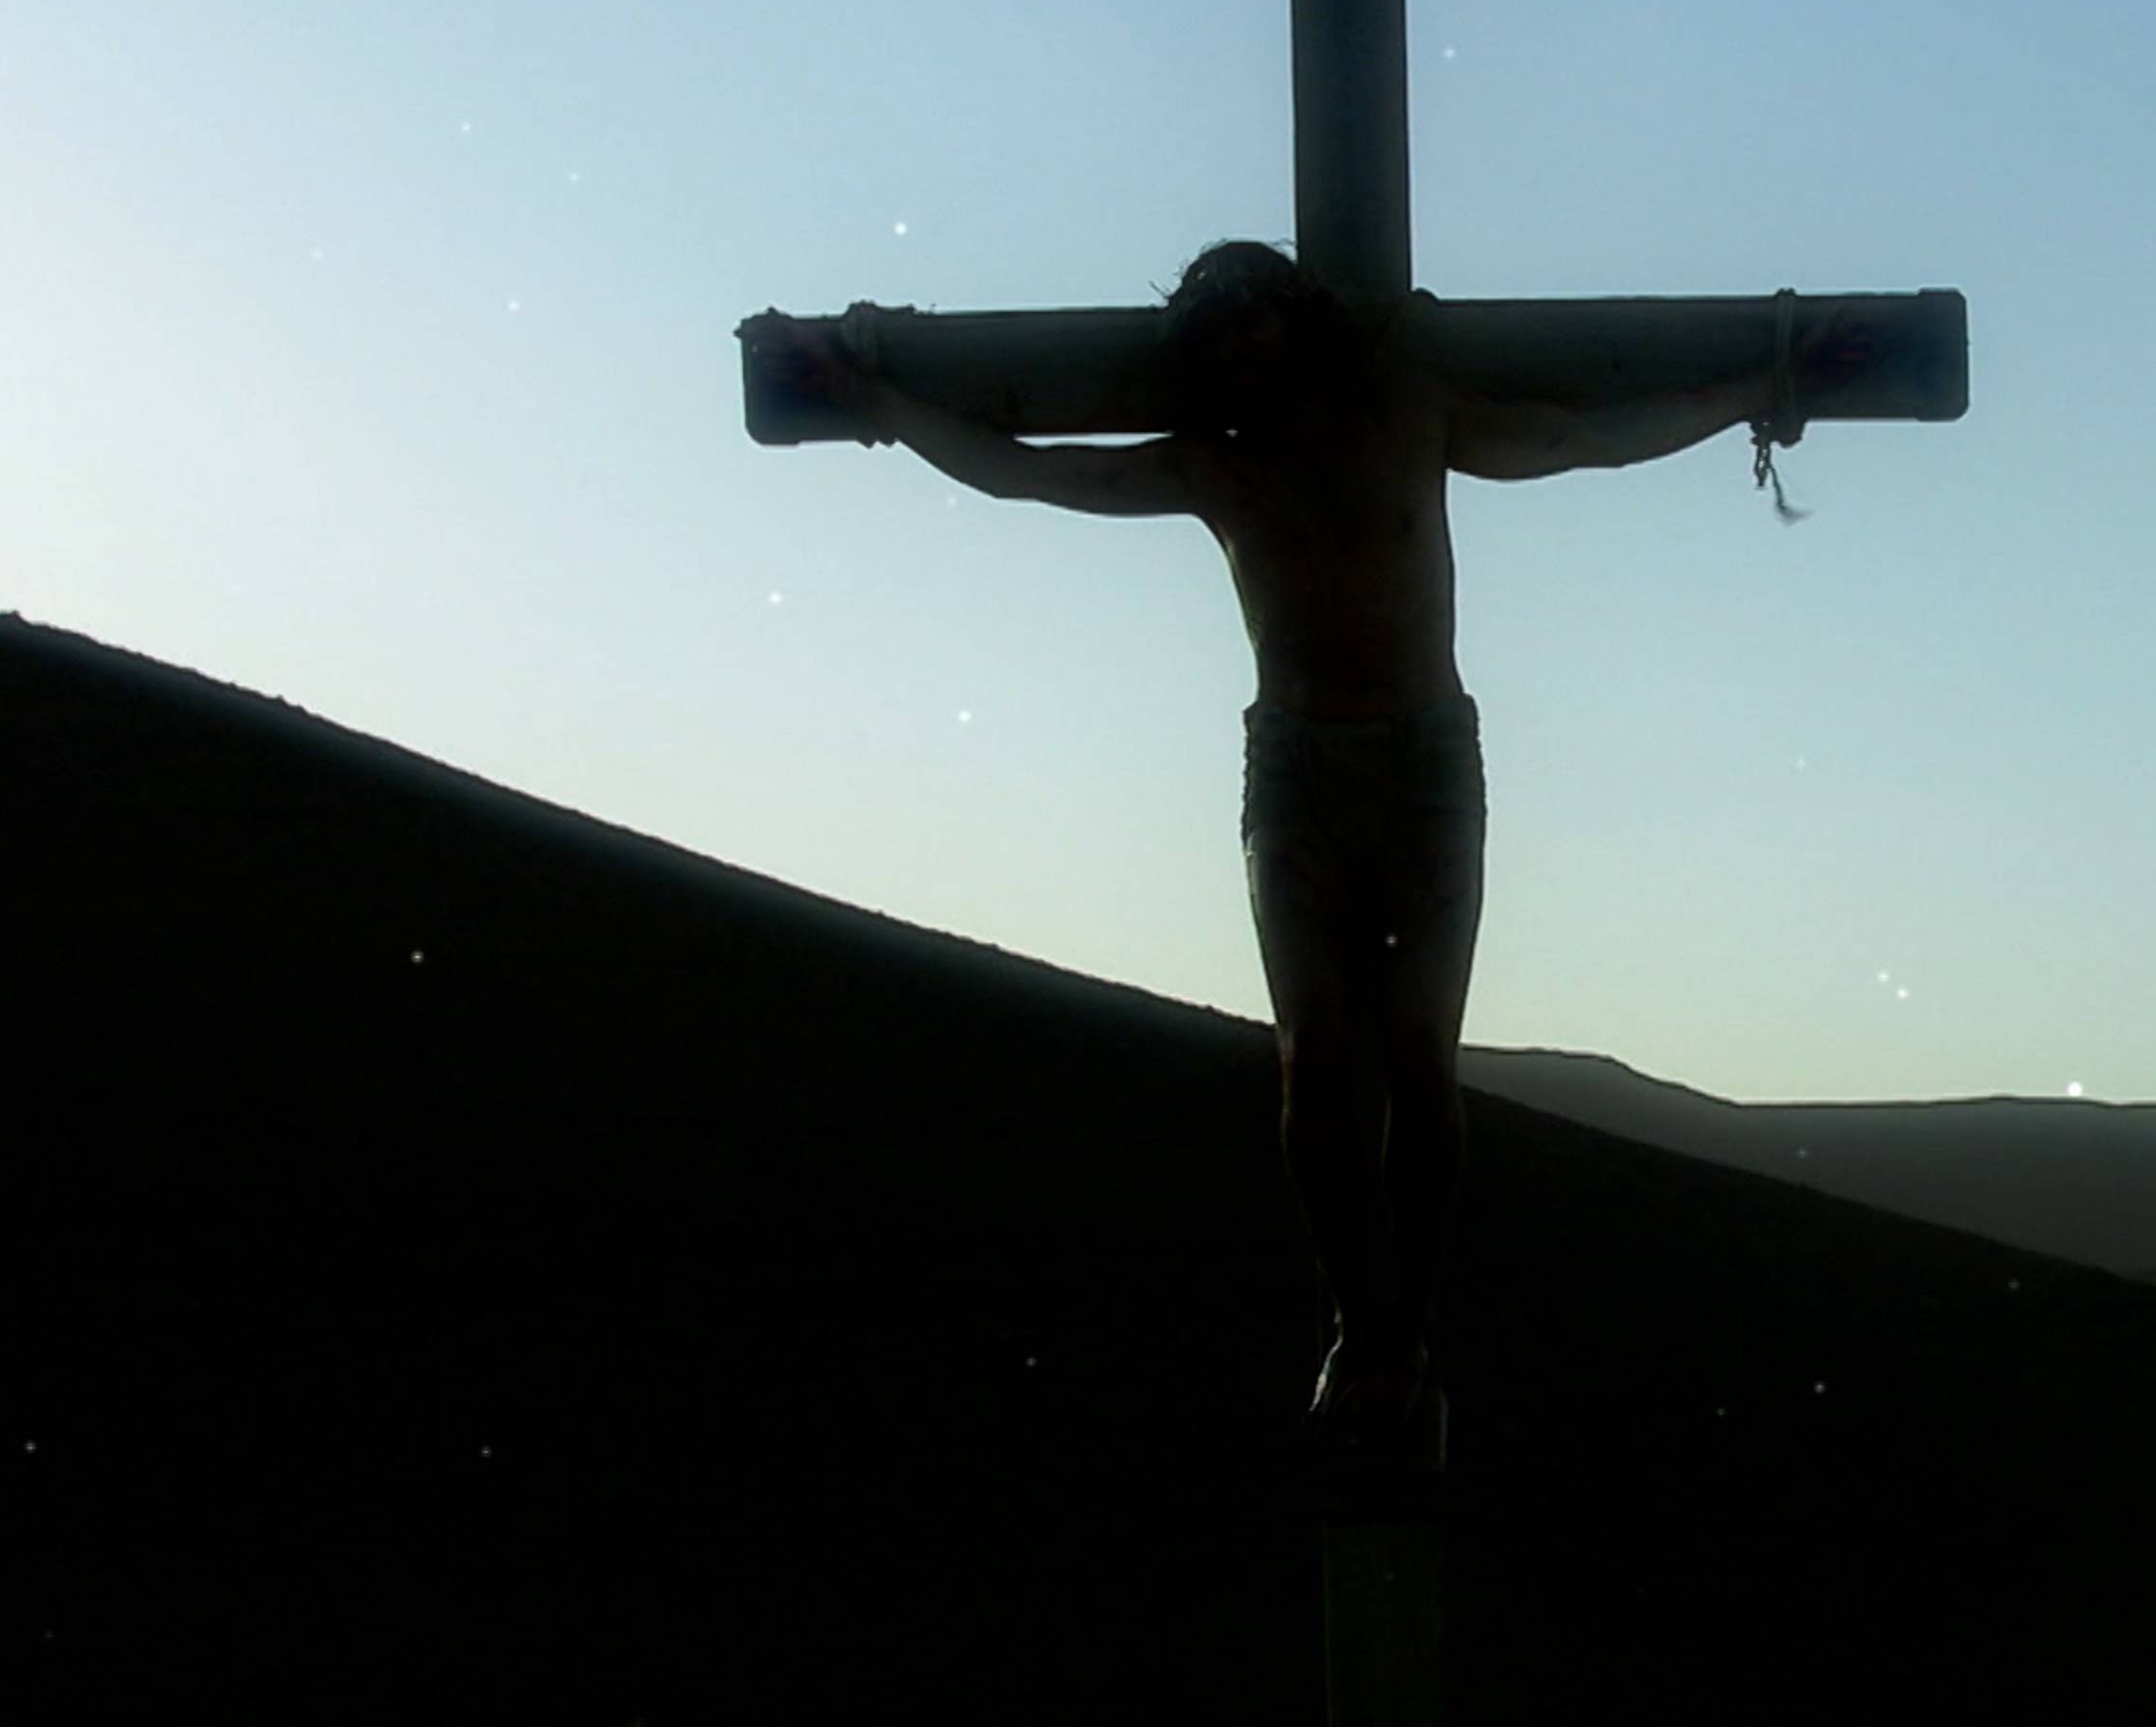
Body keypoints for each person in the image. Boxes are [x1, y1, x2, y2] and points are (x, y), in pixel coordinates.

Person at [775, 241, 1867, 1459]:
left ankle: (1406, 1335)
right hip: (1297, 766)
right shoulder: (1215, 465)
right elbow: (1034, 473)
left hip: (1425, 764)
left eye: (1261, 319)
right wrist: (883, 401)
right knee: (1316, 1060)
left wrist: (1758, 387)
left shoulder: (1412, 413)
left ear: (1302, 322)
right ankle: (1367, 1329)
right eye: (1221, 332)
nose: (1247, 345)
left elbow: (1583, 437)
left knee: (1420, 1058)